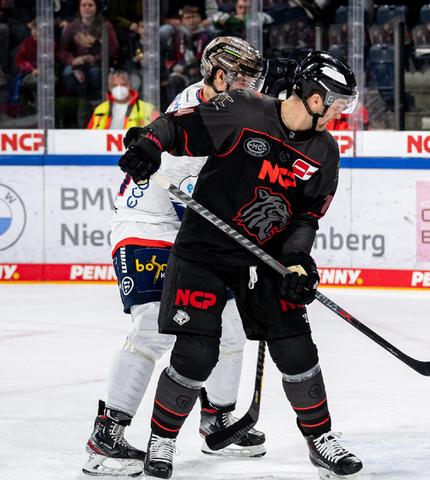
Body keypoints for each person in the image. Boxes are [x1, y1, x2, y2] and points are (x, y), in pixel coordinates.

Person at [116, 50, 361, 480]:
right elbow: (177, 127)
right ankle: (163, 440)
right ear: (315, 96)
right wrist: (148, 143)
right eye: (338, 102)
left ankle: (321, 440)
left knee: (295, 346)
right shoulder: (245, 109)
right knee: (196, 351)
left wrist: (299, 262)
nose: (341, 112)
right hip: (203, 252)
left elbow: (306, 217)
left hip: (264, 261)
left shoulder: (325, 151)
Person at [82, 36, 267, 477]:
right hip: (146, 227)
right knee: (152, 325)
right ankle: (106, 437)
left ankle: (217, 421)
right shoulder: (199, 119)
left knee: (231, 325)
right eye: (243, 80)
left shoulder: (228, 109)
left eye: (255, 82)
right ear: (218, 76)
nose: (253, 91)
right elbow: (196, 201)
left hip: (186, 229)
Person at [87, 70, 158, 129]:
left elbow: (159, 134)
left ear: (130, 85)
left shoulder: (147, 109)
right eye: (115, 85)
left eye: (123, 85)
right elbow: (88, 135)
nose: (119, 88)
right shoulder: (100, 109)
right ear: (109, 87)